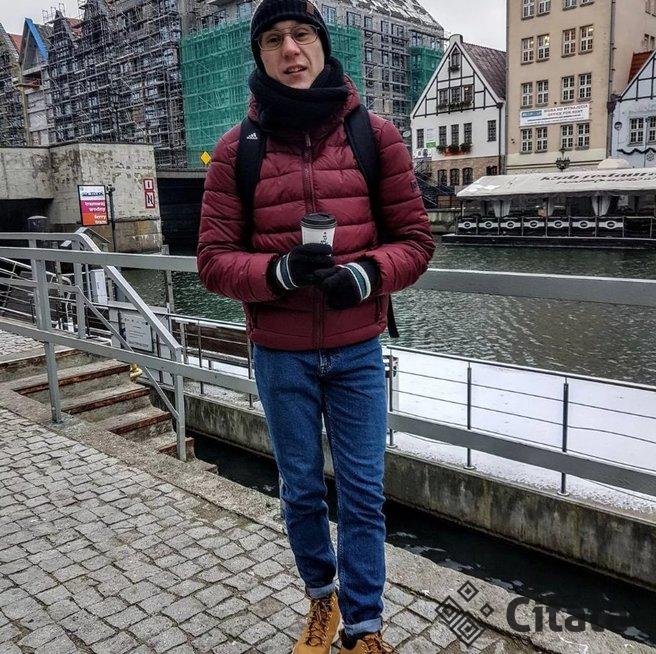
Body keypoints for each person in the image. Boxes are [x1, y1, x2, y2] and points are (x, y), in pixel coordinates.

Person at [197, 1, 435, 651]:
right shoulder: (236, 150)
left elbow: (415, 242)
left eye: (301, 34)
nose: (290, 49)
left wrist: (366, 275)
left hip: (357, 349)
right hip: (281, 353)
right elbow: (213, 261)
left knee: (362, 494)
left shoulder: (374, 137)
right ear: (260, 55)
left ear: (323, 44)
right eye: (273, 39)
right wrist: (277, 272)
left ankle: (364, 627)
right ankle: (322, 601)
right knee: (301, 491)